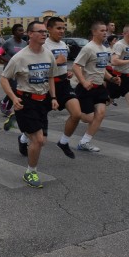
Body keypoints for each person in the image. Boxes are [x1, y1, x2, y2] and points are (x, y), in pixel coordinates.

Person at [0, 21, 57, 188]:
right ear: (30, 34)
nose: (44, 34)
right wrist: (13, 98)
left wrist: (53, 97)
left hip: (43, 101)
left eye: (45, 31)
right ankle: (30, 172)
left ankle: (21, 131)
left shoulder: (48, 54)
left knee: (42, 141)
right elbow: (4, 79)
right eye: (40, 31)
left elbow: (51, 77)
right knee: (38, 141)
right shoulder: (20, 57)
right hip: (25, 101)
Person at [72, 21, 117, 152]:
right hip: (87, 87)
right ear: (94, 32)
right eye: (102, 30)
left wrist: (112, 78)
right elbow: (75, 66)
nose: (105, 33)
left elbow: (102, 70)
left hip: (100, 87)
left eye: (105, 31)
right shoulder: (88, 48)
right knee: (88, 118)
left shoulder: (105, 49)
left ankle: (84, 142)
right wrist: (84, 81)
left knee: (101, 113)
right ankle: (73, 111)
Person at [44, 17, 84, 159]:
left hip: (63, 83)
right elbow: (40, 68)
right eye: (58, 28)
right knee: (38, 119)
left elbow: (61, 64)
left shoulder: (63, 44)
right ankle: (24, 139)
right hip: (47, 86)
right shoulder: (44, 46)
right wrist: (56, 62)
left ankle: (63, 142)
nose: (62, 31)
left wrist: (66, 70)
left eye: (63, 28)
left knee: (77, 114)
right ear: (49, 29)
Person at [0, 24, 27, 118]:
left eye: (22, 30)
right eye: (19, 31)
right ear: (14, 32)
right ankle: (6, 105)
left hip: (20, 70)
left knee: (17, 90)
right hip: (9, 70)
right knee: (15, 89)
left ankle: (5, 105)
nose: (22, 32)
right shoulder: (8, 42)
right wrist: (7, 60)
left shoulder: (24, 43)